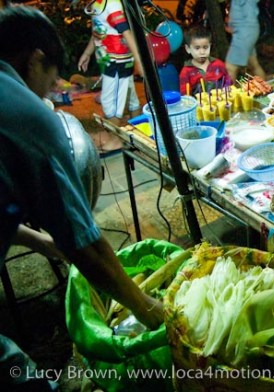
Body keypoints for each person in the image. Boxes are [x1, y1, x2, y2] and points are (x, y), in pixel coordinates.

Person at [0, 5, 162, 390]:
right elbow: (84, 243)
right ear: (36, 60)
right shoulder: (27, 112)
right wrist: (146, 307)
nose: (51, 90)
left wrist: (38, 239)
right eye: (53, 78)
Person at [78, 0, 142, 127]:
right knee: (131, 98)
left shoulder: (111, 5)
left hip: (117, 60)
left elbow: (126, 32)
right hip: (111, 58)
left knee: (110, 102)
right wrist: (87, 53)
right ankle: (139, 131)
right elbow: (98, 31)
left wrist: (139, 61)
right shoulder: (97, 4)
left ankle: (115, 139)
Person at [179, 26, 232, 95]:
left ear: (210, 46)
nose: (202, 52)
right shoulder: (185, 72)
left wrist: (227, 88)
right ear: (188, 49)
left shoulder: (219, 64)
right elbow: (185, 97)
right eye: (197, 48)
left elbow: (229, 81)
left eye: (205, 47)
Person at [225, 0, 266, 83]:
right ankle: (266, 89)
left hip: (244, 33)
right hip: (245, 32)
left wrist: (243, 29)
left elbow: (250, 14)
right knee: (254, 64)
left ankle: (228, 95)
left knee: (230, 67)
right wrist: (232, 25)